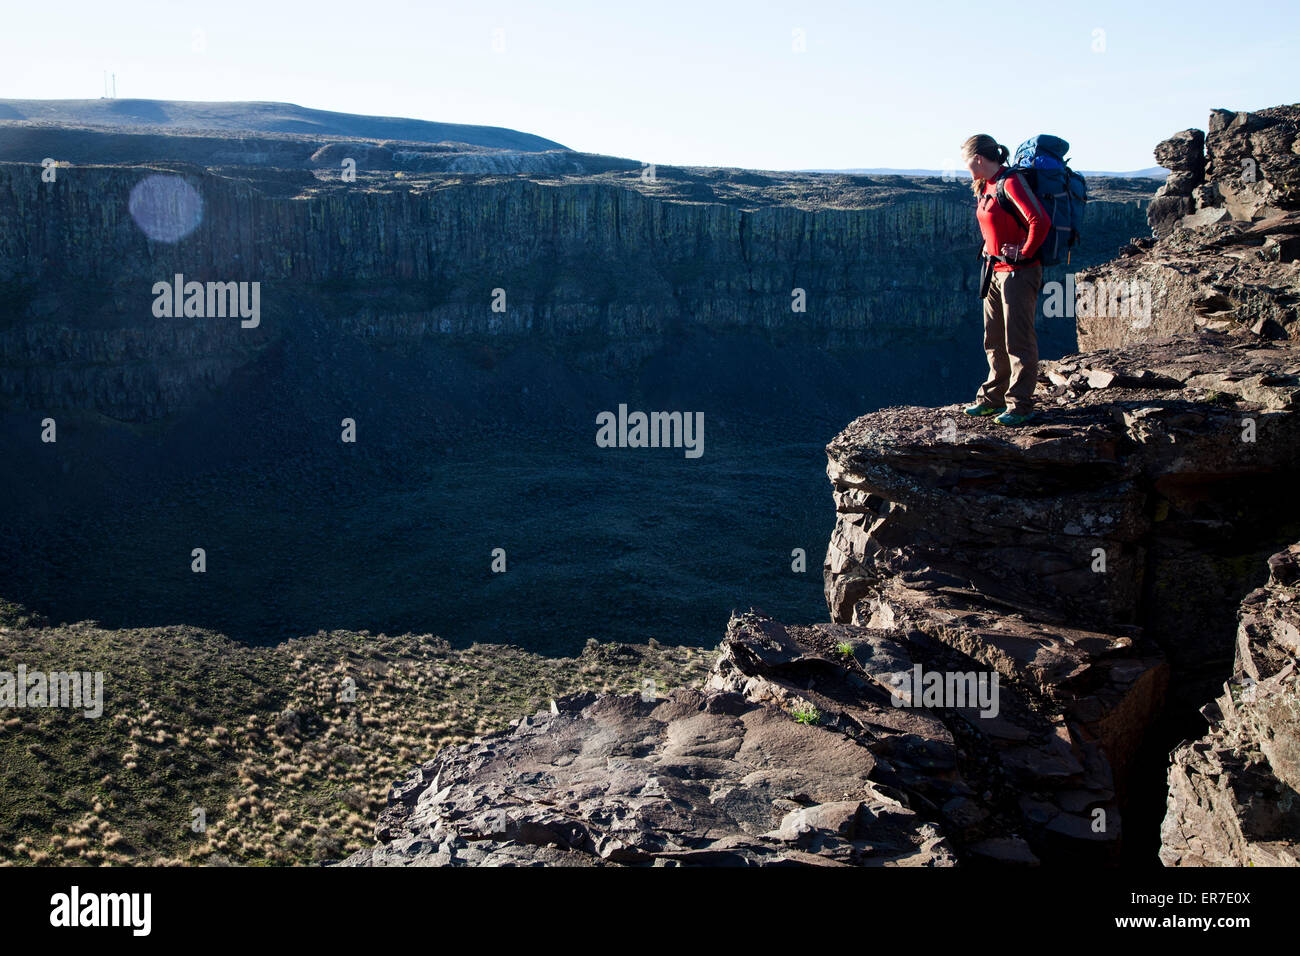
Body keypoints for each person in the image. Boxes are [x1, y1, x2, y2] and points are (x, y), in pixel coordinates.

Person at [961, 134, 1051, 427]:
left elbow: (1040, 220)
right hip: (993, 270)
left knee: (1018, 339)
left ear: (978, 158)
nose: (965, 168)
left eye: (966, 162)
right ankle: (992, 398)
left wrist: (1023, 253)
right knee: (993, 337)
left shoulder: (1009, 182)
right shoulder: (984, 186)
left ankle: (1020, 405)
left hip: (1018, 273)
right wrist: (991, 247)